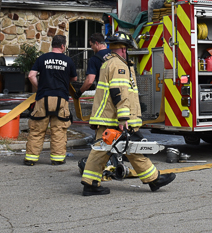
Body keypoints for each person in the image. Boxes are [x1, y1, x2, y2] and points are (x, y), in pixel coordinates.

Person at [80, 33, 175, 196]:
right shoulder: (119, 65)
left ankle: (153, 179)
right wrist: (124, 117)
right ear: (124, 49)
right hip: (114, 118)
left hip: (109, 117)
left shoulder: (110, 62)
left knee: (128, 147)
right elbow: (120, 92)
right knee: (106, 150)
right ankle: (91, 184)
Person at [25, 34, 77, 166]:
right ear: (62, 46)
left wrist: (40, 88)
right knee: (59, 130)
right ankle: (57, 159)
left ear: (52, 45)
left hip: (43, 98)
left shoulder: (42, 58)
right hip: (61, 98)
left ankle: (31, 158)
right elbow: (74, 78)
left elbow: (31, 75)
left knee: (37, 129)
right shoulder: (68, 60)